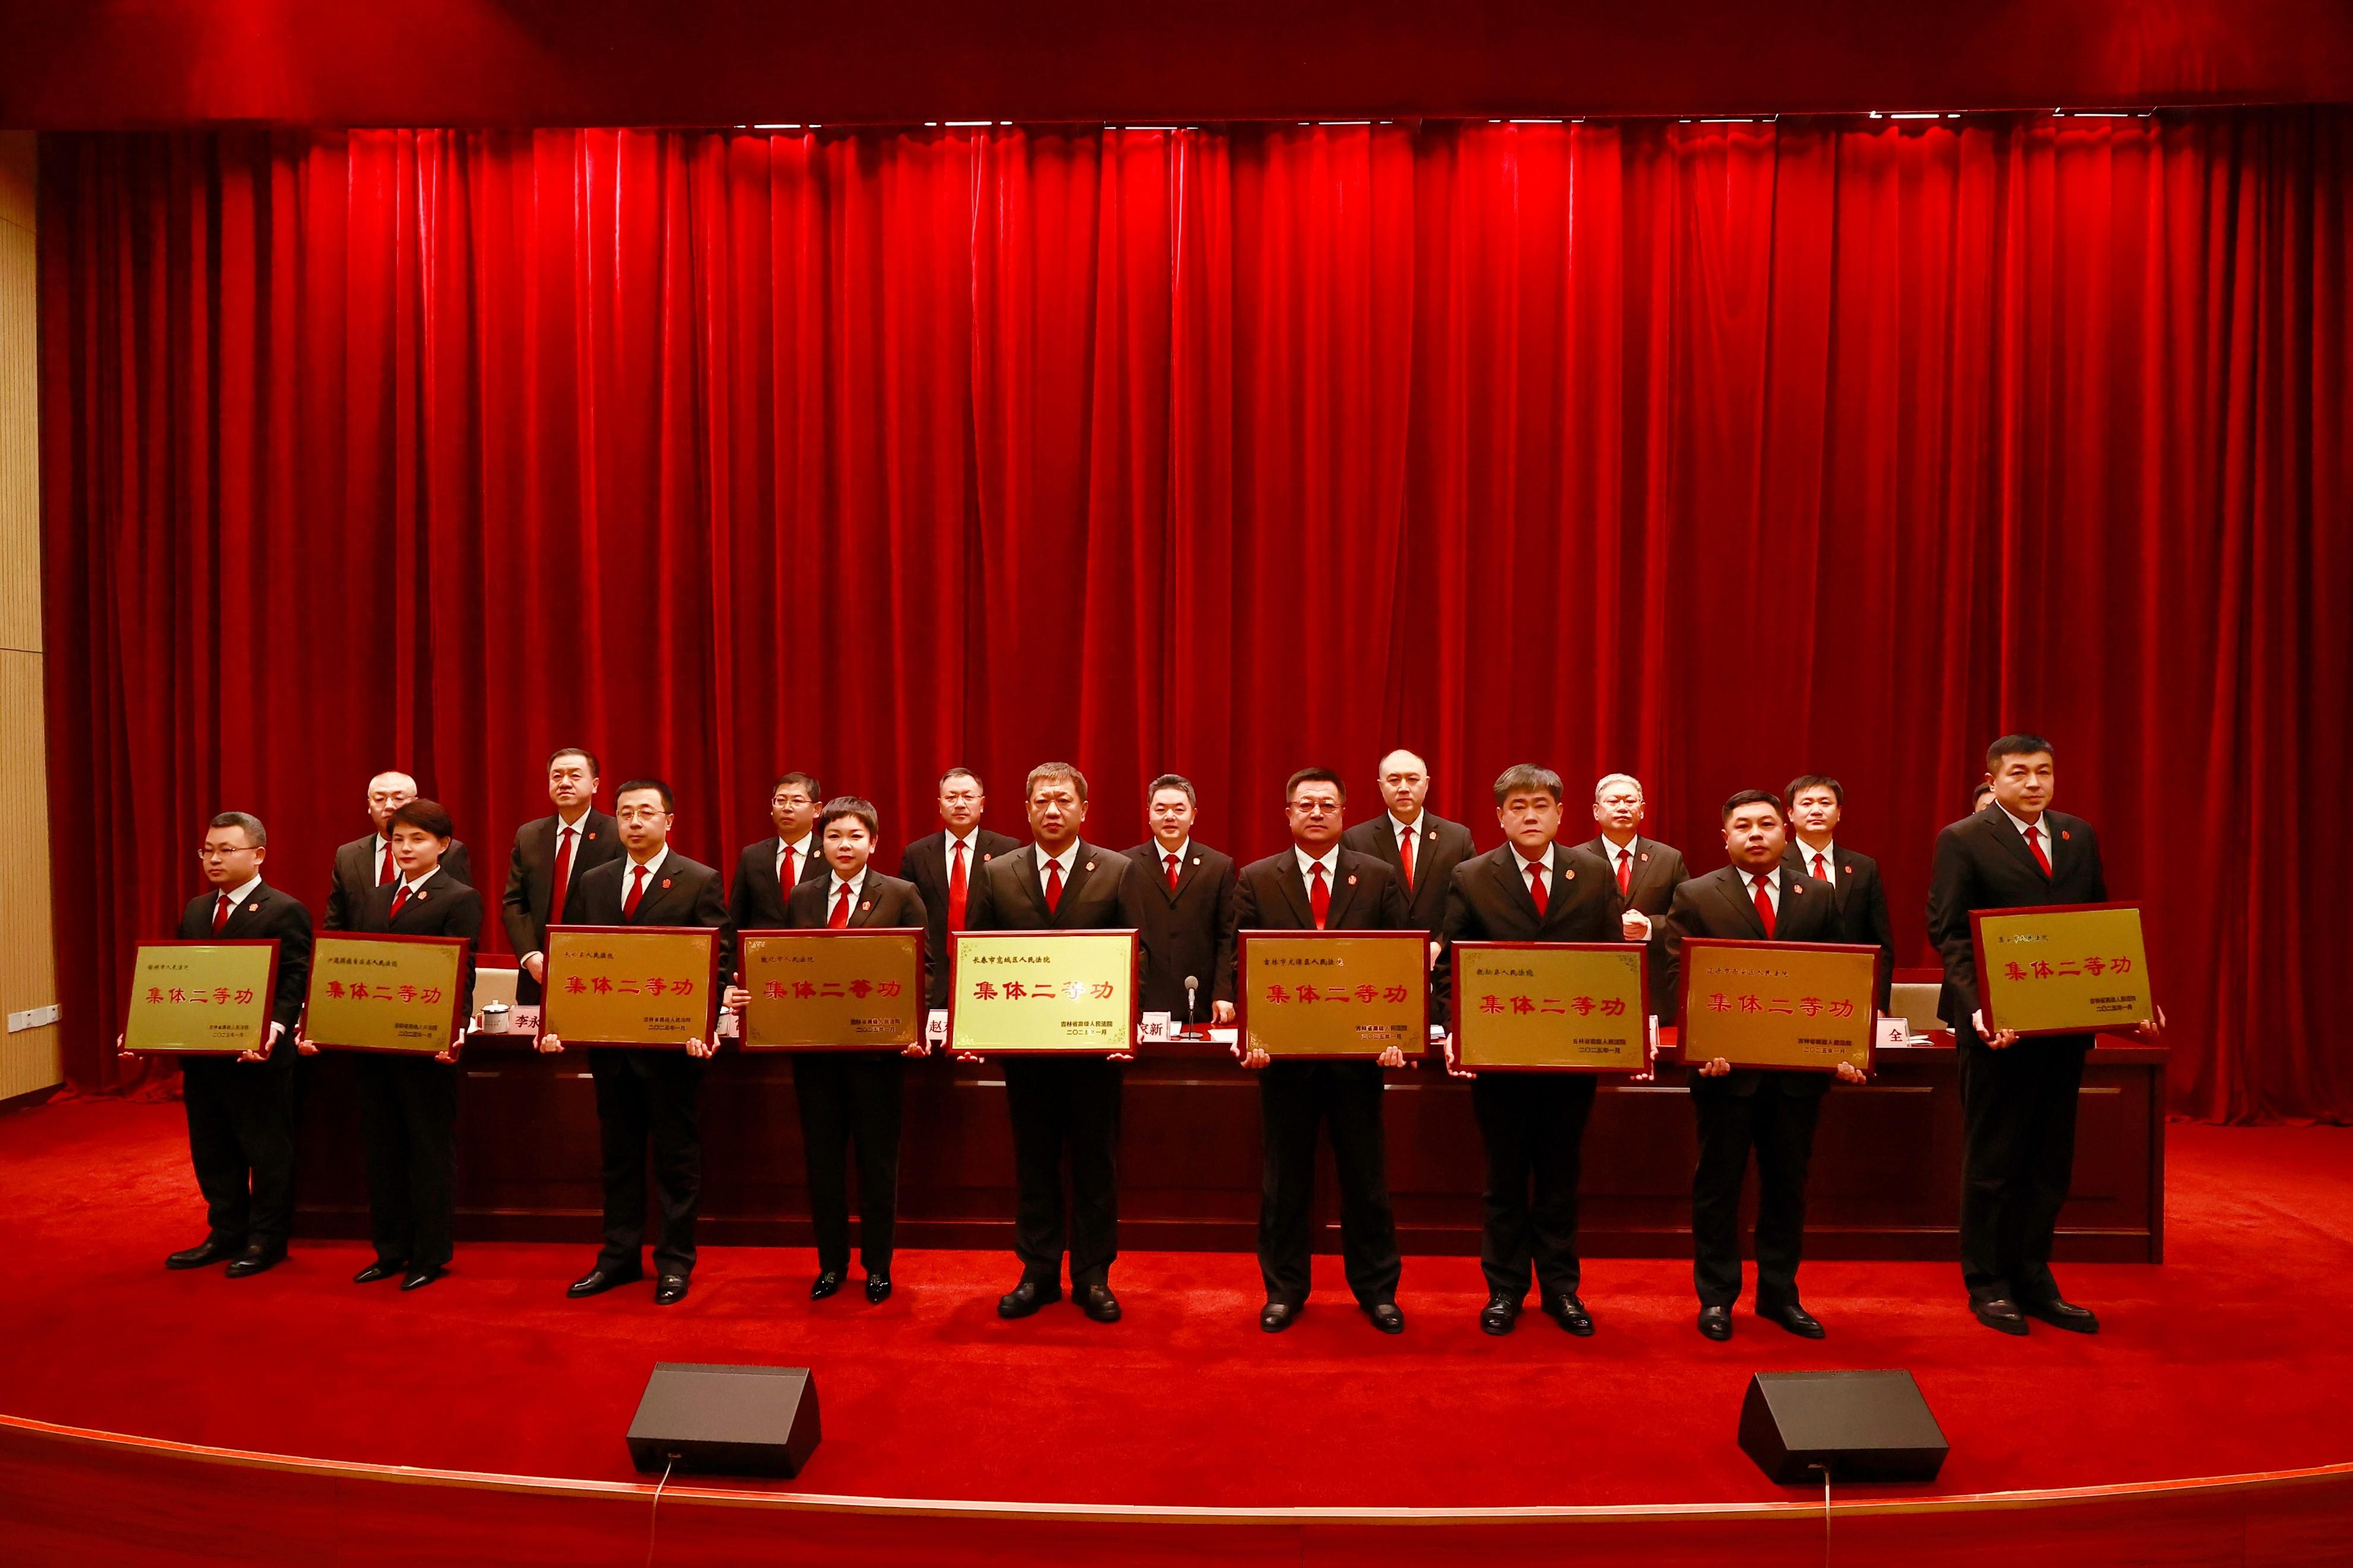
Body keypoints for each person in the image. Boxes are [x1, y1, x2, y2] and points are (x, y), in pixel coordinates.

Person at [1928, 734, 2161, 1337]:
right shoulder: (1962, 839)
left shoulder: (2076, 835)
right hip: (1996, 1029)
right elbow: (1949, 932)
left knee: (2049, 1160)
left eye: (2043, 771)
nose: (2033, 783)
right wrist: (1978, 1007)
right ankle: (1987, 1283)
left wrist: (2131, 999)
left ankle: (2033, 1276)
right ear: (1993, 779)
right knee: (1993, 1160)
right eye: (2019, 773)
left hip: (2062, 1026)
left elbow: (2096, 924)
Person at [1435, 764, 1648, 1337]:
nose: (1530, 815)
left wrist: (1626, 1037)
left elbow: (1614, 961)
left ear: (1559, 813)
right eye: (1518, 806)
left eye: (1541, 805)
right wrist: (1457, 1029)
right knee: (1503, 1177)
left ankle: (1560, 1288)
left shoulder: (1593, 873)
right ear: (1500, 816)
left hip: (1570, 1056)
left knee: (1559, 1175)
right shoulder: (1471, 875)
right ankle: (1504, 1289)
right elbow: (1449, 968)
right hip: (1498, 1057)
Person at [1662, 790, 1868, 1341]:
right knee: (1717, 1187)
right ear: (1724, 837)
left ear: (1785, 832)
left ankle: (1780, 1295)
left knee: (1786, 1188)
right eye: (1743, 825)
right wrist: (1701, 1043)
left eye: (1766, 824)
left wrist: (1846, 1050)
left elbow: (1839, 976)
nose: (1756, 833)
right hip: (1723, 1073)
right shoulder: (1696, 893)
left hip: (1796, 1076)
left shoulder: (1817, 895)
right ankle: (1716, 1297)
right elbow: (1676, 977)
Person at [962, 762, 1150, 1324]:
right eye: (1042, 800)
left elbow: (1137, 956)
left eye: (1063, 799)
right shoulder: (997, 873)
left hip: (1095, 1051)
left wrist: (1124, 1025)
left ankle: (1093, 1275)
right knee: (1034, 1162)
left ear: (1083, 809)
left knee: (1096, 1165)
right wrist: (975, 1028)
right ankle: (1038, 1271)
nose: (1052, 809)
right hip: (1027, 1053)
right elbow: (975, 954)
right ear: (1026, 809)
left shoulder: (1116, 870)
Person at [725, 796, 929, 1305]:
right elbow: (793, 964)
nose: (844, 845)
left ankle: (877, 1266)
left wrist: (910, 1023)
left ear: (873, 842)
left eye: (855, 836)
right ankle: (831, 1264)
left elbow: (925, 969)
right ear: (822, 842)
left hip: (877, 1056)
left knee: (877, 1165)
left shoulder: (900, 893)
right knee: (823, 1163)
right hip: (816, 1056)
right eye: (835, 836)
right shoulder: (803, 895)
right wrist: (754, 990)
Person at [538, 778, 733, 1306]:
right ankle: (618, 1257)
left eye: (646, 812)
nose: (634, 822)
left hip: (674, 1052)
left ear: (669, 820)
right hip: (612, 1050)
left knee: (676, 1161)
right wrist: (559, 1020)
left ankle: (674, 1262)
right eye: (625, 813)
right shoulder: (594, 880)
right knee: (618, 1159)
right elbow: (573, 954)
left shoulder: (698, 880)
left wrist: (705, 1025)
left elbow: (716, 960)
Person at [1233, 767, 1413, 1334]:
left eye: (1327, 804)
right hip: (1283, 1062)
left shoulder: (1377, 876)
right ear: (1287, 812)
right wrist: (1253, 1036)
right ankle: (1283, 1289)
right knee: (1283, 1182)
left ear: (1343, 813)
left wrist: (1397, 1034)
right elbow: (1243, 966)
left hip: (1358, 1061)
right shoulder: (1257, 878)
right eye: (1305, 804)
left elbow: (1398, 960)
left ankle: (1377, 1290)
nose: (1316, 812)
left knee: (1366, 1180)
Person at [129, 813, 313, 1278]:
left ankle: (267, 1239)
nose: (214, 858)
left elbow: (295, 977)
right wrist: (145, 1029)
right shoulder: (197, 909)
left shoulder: (284, 909)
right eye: (207, 850)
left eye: (226, 849)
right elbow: (182, 977)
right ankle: (226, 1230)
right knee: (212, 1147)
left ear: (258, 854)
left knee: (267, 1151)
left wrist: (275, 1027)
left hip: (258, 1055)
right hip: (205, 1054)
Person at [306, 799, 480, 1291]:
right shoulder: (374, 897)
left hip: (426, 1046)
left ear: (443, 845)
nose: (406, 847)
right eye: (398, 839)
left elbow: (462, 970)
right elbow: (353, 965)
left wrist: (454, 1028)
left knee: (428, 1150)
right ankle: (389, 1249)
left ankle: (430, 1254)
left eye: (418, 839)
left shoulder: (459, 897)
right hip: (374, 1043)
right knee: (381, 1148)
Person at [501, 747, 621, 1004]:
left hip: (598, 973)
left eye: (575, 776)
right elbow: (514, 903)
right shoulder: (529, 835)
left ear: (595, 785)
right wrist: (529, 955)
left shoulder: (617, 834)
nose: (564, 783)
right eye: (557, 776)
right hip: (537, 973)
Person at [1120, 774, 1238, 1030]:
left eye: (1179, 809)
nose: (1170, 816)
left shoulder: (1219, 867)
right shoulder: (1125, 865)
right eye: (1161, 809)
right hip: (1142, 1002)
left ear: (1193, 815)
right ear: (1149, 814)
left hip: (1202, 999)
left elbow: (1227, 936)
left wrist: (1223, 992)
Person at [897, 768, 1020, 1010]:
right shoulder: (917, 854)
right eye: (951, 797)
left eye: (968, 797)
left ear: (982, 804)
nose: (960, 804)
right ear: (940, 805)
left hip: (990, 970)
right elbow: (908, 920)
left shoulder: (1008, 850)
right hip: (933, 975)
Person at [1783, 774, 1897, 1013]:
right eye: (1806, 803)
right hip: (1788, 992)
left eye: (1825, 803)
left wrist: (1878, 1004)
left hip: (1850, 994)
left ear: (1839, 812)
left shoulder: (1864, 867)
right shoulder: (1774, 866)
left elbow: (1880, 944)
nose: (1816, 810)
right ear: (1791, 814)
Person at [1579, 773, 1687, 1017]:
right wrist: (1613, 926)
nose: (1622, 807)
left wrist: (1650, 927)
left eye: (1630, 801)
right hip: (1591, 983)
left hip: (1654, 985)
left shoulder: (1669, 859)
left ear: (1643, 810)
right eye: (1613, 801)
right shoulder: (1575, 860)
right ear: (1596, 811)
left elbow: (1687, 919)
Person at [1341, 748, 1475, 942]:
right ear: (1381, 786)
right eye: (1394, 780)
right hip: (1380, 952)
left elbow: (1469, 903)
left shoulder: (1457, 838)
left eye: (1412, 779)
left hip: (1441, 955)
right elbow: (1352, 910)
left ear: (1426, 784)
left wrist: (1441, 944)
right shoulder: (1356, 840)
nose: (1403, 788)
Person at [323, 771, 473, 931]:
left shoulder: (450, 852)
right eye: (380, 799)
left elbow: (460, 914)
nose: (389, 806)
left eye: (399, 798)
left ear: (415, 803)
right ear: (369, 805)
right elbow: (335, 924)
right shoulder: (348, 855)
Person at [728, 771, 829, 933]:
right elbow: (736, 918)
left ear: (817, 810)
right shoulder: (752, 856)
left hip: (813, 947)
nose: (787, 808)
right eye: (781, 800)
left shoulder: (829, 855)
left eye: (797, 801)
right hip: (764, 948)